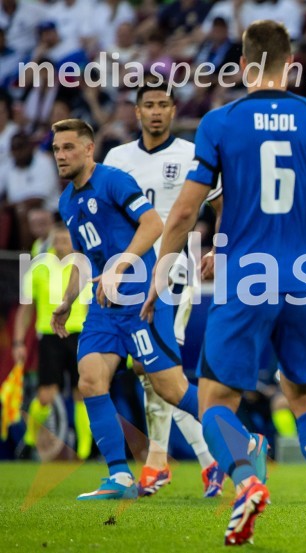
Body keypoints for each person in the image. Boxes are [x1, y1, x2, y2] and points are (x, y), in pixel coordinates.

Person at [142, 21, 306, 545]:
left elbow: (186, 209)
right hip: (303, 279)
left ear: (244, 66)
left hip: (245, 280)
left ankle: (247, 478)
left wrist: (162, 268)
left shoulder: (220, 122)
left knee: (214, 401)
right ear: (291, 64)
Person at [50, 119, 202, 500]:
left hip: (141, 296)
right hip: (104, 302)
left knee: (170, 389)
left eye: (69, 147)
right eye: (56, 149)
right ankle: (119, 476)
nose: (61, 156)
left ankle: (244, 443)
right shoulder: (67, 200)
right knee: (89, 380)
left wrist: (119, 266)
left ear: (88, 149)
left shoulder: (114, 180)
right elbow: (83, 258)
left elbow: (153, 225)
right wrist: (67, 303)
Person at [102, 82, 225, 498]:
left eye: (163, 105)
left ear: (174, 110)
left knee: (155, 370)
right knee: (152, 372)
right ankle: (195, 461)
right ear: (136, 112)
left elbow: (220, 204)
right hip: (132, 278)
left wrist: (217, 248)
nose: (156, 112)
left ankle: (176, 462)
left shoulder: (191, 155)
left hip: (174, 273)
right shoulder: (117, 158)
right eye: (148, 105)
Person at [14, 221, 92, 461]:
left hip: (78, 333)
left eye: (65, 240)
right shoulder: (39, 267)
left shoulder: (83, 266)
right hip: (49, 336)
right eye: (57, 240)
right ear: (51, 241)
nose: (61, 244)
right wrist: (18, 342)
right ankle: (29, 441)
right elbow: (26, 309)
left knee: (83, 393)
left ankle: (85, 451)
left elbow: (91, 305)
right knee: (46, 395)